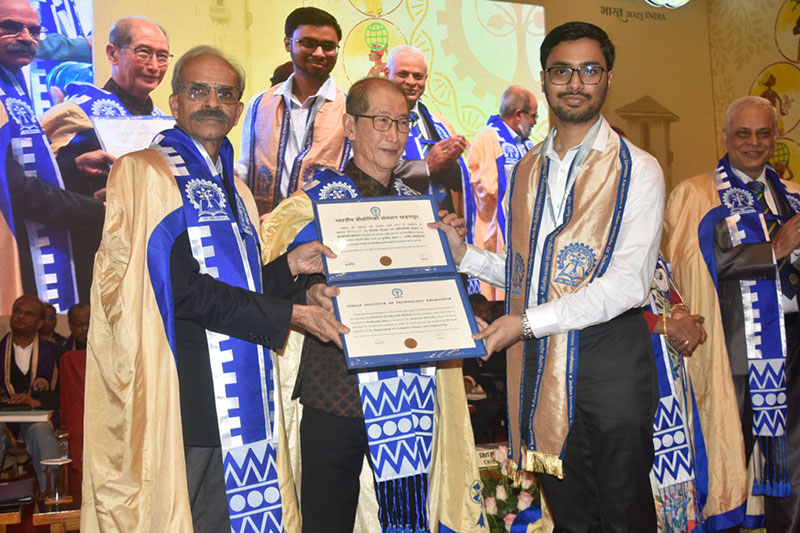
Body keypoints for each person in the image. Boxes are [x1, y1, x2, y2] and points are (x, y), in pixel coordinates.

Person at [81, 45, 348, 532]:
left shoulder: (237, 187)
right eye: (198, 91)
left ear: (240, 110)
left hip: (243, 392)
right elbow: (178, 290)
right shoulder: (145, 172)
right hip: (183, 390)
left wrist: (288, 267)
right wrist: (290, 316)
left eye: (225, 94)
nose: (212, 103)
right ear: (175, 100)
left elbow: (236, 288)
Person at [432, 21, 665, 531]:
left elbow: (629, 283)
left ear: (607, 78)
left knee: (624, 508)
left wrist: (526, 323)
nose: (575, 82)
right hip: (540, 360)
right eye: (562, 70)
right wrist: (465, 254)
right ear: (544, 78)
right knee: (570, 511)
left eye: (589, 70)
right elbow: (526, 273)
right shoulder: (525, 169)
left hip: (609, 359)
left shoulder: (638, 168)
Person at [261, 77, 485, 533]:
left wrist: (453, 262)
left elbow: (435, 295)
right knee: (327, 521)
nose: (394, 134)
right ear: (349, 124)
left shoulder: (420, 208)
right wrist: (308, 295)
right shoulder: (310, 205)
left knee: (407, 520)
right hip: (332, 391)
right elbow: (269, 291)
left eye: (402, 122)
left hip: (407, 393)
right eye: (380, 121)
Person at [664, 95, 800, 532]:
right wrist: (773, 250)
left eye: (763, 133)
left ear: (775, 138)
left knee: (793, 457)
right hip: (734, 349)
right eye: (743, 133)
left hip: (794, 341)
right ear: (725, 138)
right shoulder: (696, 193)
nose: (754, 143)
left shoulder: (793, 197)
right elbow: (692, 267)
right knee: (730, 455)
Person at [39, 17, 171, 302]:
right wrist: (76, 171)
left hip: (151, 253)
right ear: (112, 53)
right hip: (92, 250)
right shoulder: (75, 113)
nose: (154, 65)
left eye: (162, 56)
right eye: (143, 52)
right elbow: (41, 181)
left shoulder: (164, 123)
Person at [0, 0, 104, 314]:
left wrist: (70, 167)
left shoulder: (12, 83)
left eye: (35, 30)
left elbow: (20, 165)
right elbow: (13, 187)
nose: (27, 37)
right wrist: (99, 213)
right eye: (11, 27)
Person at [240, 7, 350, 215]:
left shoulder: (351, 110)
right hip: (265, 229)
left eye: (328, 46)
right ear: (287, 43)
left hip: (322, 231)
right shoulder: (259, 104)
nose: (319, 53)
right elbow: (246, 168)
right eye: (308, 43)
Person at [467, 85, 538, 300]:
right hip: (499, 232)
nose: (535, 122)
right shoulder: (489, 138)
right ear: (519, 115)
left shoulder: (528, 144)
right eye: (534, 116)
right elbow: (487, 189)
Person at [0, 295, 59, 489]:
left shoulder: (57, 352)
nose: (21, 316)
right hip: (3, 422)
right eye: (17, 311)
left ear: (41, 322)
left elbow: (67, 393)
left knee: (41, 433)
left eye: (28, 313)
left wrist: (37, 401)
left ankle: (51, 497)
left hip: (39, 420)